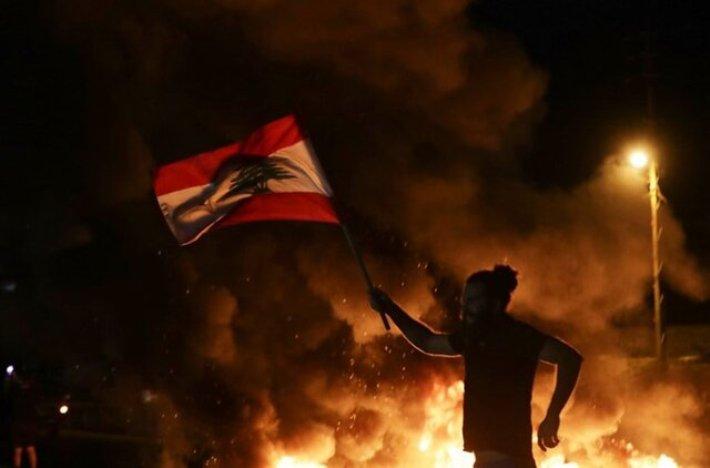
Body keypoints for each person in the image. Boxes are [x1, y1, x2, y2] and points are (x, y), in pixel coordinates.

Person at [369, 265, 582, 468]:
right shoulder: (472, 338)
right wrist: (389, 308)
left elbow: (569, 358)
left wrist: (553, 415)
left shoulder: (516, 335)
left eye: (473, 300)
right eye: (465, 299)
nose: (466, 306)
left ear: (495, 303)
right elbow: (427, 342)